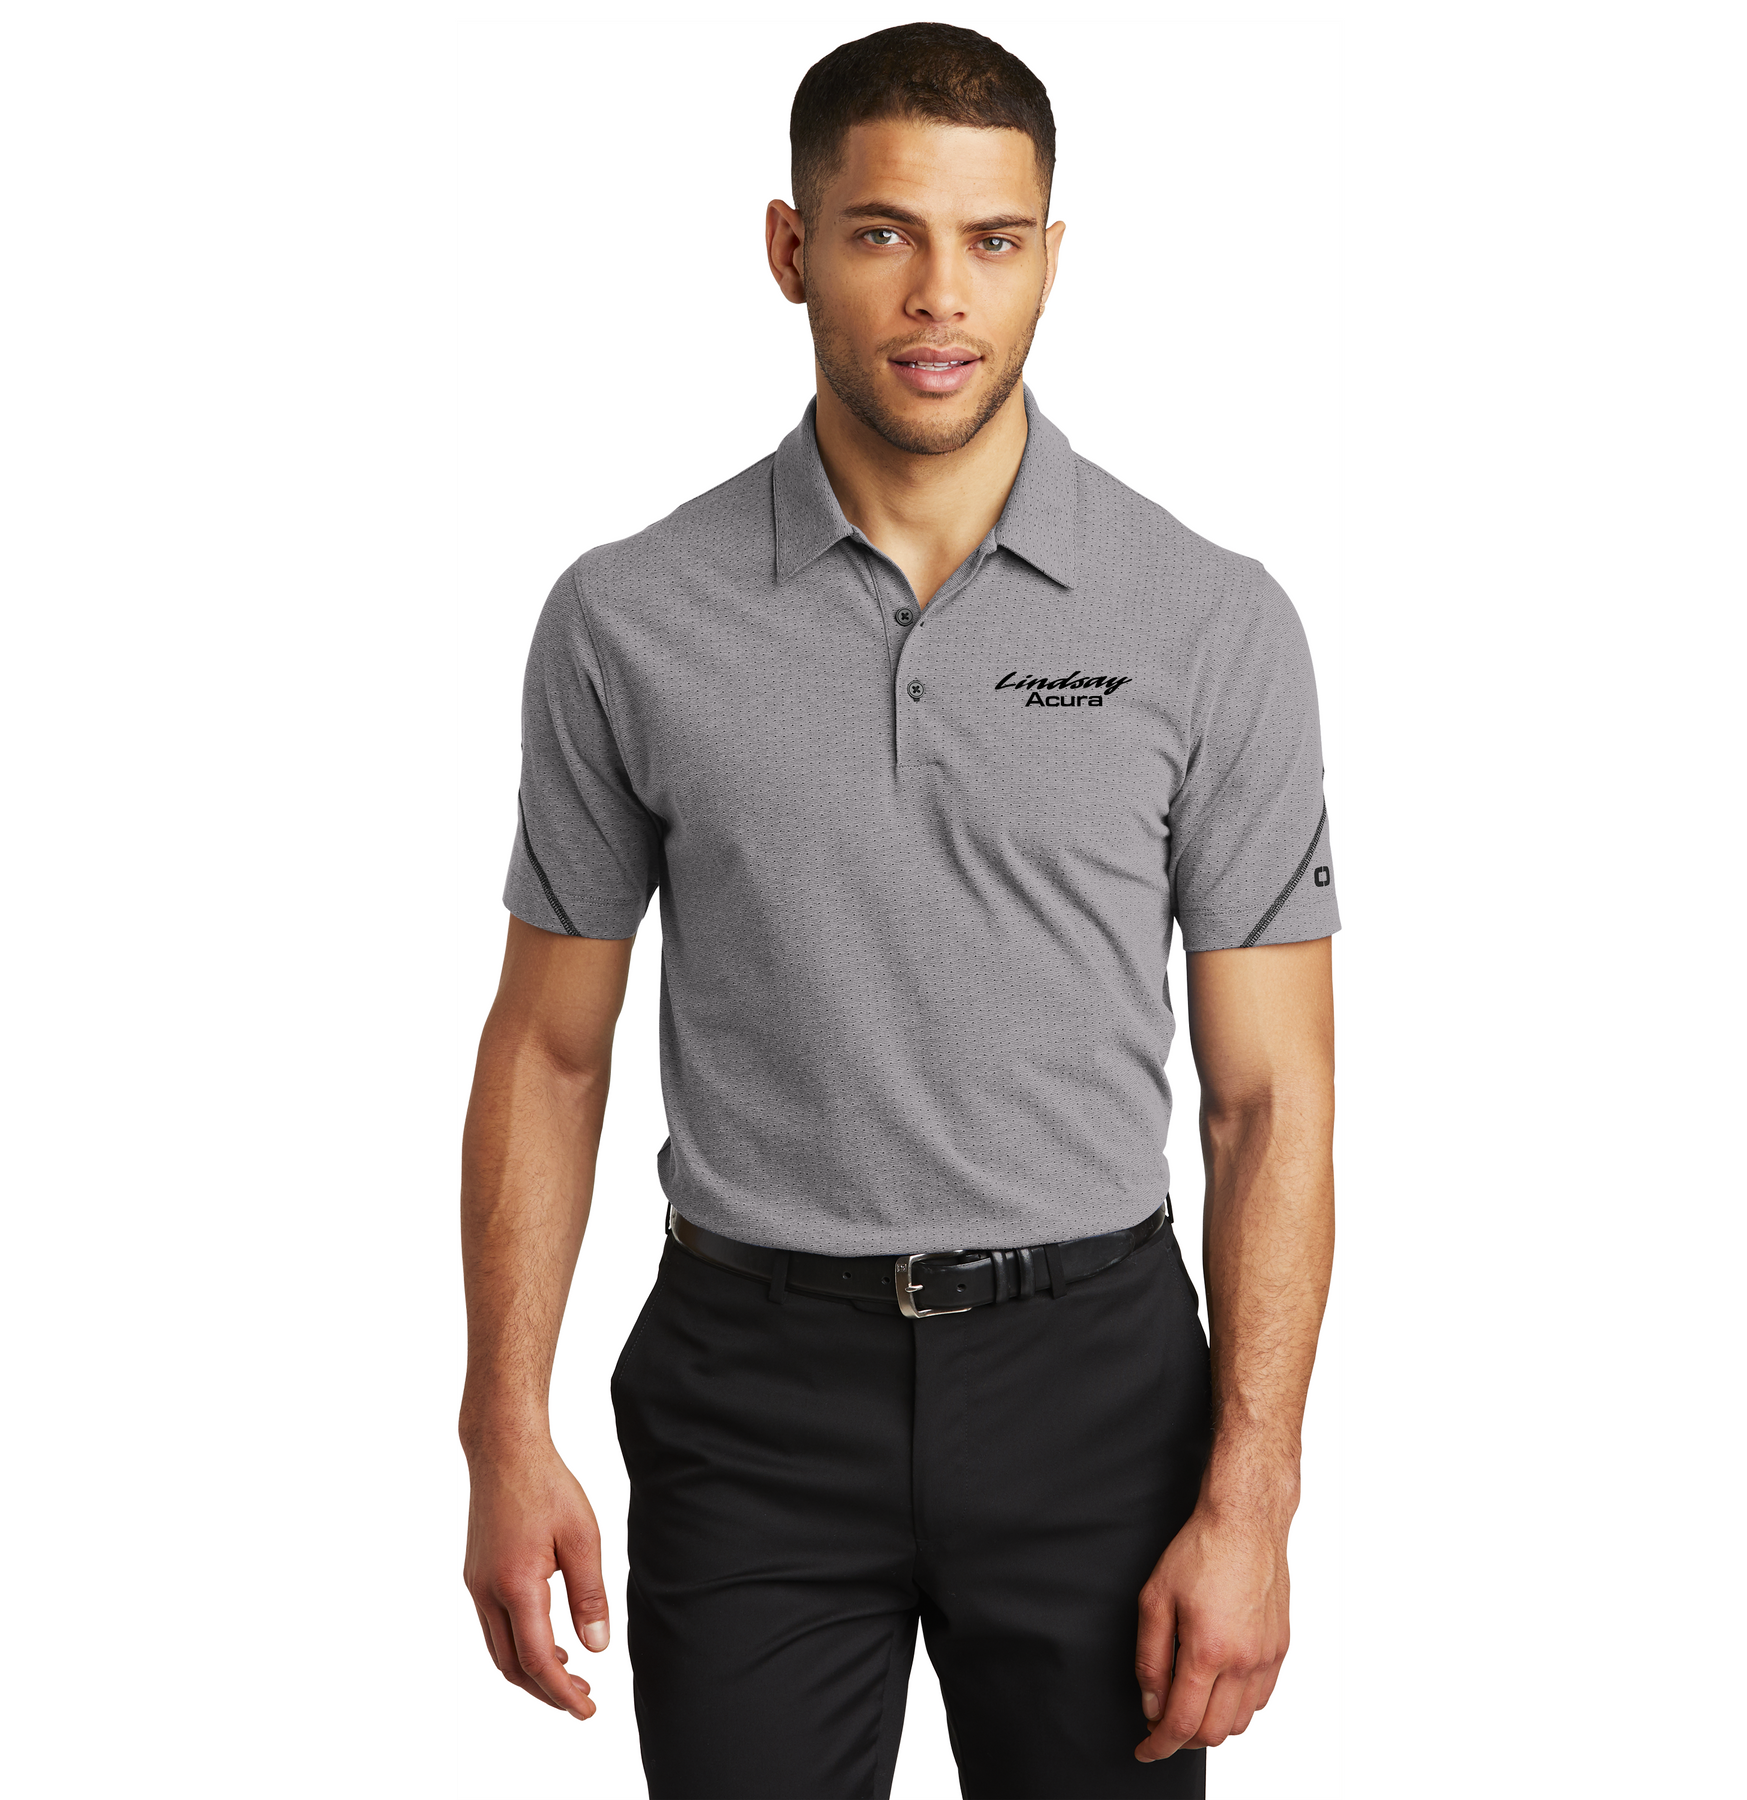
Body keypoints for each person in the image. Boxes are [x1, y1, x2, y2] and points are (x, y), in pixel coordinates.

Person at [459, 21, 1338, 1798]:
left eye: (993, 241)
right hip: (751, 1396)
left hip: (1097, 1388)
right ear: (791, 249)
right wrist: (502, 1428)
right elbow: (549, 1050)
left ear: (1051, 258)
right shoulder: (629, 618)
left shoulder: (1209, 619)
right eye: (883, 234)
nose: (943, 296)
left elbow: (1271, 1099)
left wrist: (1255, 1498)